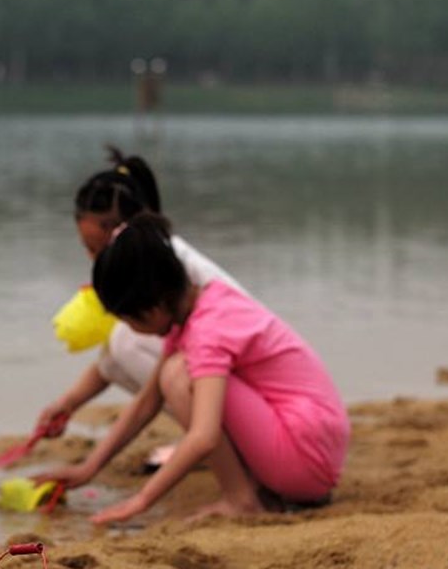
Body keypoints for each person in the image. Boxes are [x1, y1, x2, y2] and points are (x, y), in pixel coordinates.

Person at [44, 214, 348, 524]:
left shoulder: (207, 331)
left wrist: (141, 500)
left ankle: (240, 499)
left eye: (131, 321)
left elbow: (204, 436)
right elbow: (146, 403)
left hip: (305, 457)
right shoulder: (201, 303)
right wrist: (89, 468)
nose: (133, 331)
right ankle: (253, 489)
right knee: (171, 375)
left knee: (177, 376)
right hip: (314, 448)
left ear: (153, 308)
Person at [32, 148, 245, 447]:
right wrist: (68, 403)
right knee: (121, 347)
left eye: (97, 250)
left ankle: (218, 442)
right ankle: (207, 438)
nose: (93, 259)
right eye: (89, 250)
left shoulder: (160, 267)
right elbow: (112, 362)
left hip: (241, 381)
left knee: (126, 341)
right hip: (227, 380)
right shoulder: (156, 254)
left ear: (122, 231)